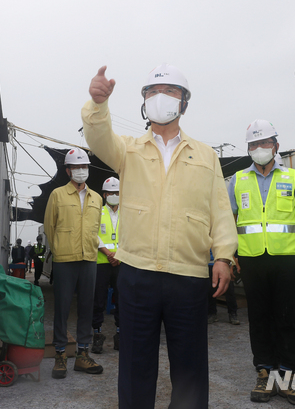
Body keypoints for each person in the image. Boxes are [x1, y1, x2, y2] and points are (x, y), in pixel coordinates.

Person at [82, 64, 237, 409]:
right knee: (136, 366)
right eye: (152, 92)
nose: (160, 98)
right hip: (138, 274)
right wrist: (97, 104)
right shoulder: (128, 149)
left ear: (183, 102)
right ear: (143, 102)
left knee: (190, 369)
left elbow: (220, 210)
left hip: (189, 275)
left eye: (170, 91)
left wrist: (224, 255)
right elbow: (96, 137)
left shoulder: (206, 155)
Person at [227, 119, 295, 406]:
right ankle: (264, 371)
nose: (259, 148)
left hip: (286, 258)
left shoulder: (292, 178)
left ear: (275, 146)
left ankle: (288, 376)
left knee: (287, 316)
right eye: (254, 144)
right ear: (248, 149)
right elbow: (229, 220)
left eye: (264, 143)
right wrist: (231, 256)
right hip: (251, 260)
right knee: (259, 317)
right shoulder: (237, 180)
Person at [44, 148, 104, 379]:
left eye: (85, 167)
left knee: (86, 308)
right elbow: (50, 227)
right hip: (65, 259)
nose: (81, 171)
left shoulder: (97, 198)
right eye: (77, 167)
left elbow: (95, 228)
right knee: (62, 308)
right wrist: (60, 249)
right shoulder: (57, 195)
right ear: (68, 170)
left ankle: (82, 355)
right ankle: (60, 355)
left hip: (89, 258)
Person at [91, 177, 121, 354]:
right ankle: (97, 334)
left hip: (121, 263)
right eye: (110, 193)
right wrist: (108, 253)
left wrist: (119, 254)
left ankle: (120, 334)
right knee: (98, 300)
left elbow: (131, 235)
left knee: (122, 300)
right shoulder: (97, 212)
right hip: (102, 262)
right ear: (104, 195)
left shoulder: (127, 214)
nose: (114, 196)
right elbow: (93, 233)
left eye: (117, 193)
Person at [207, 250, 240, 325]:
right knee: (210, 290)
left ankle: (233, 314)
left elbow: (231, 251)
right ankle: (212, 314)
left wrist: (231, 266)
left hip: (224, 264)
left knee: (229, 290)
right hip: (209, 264)